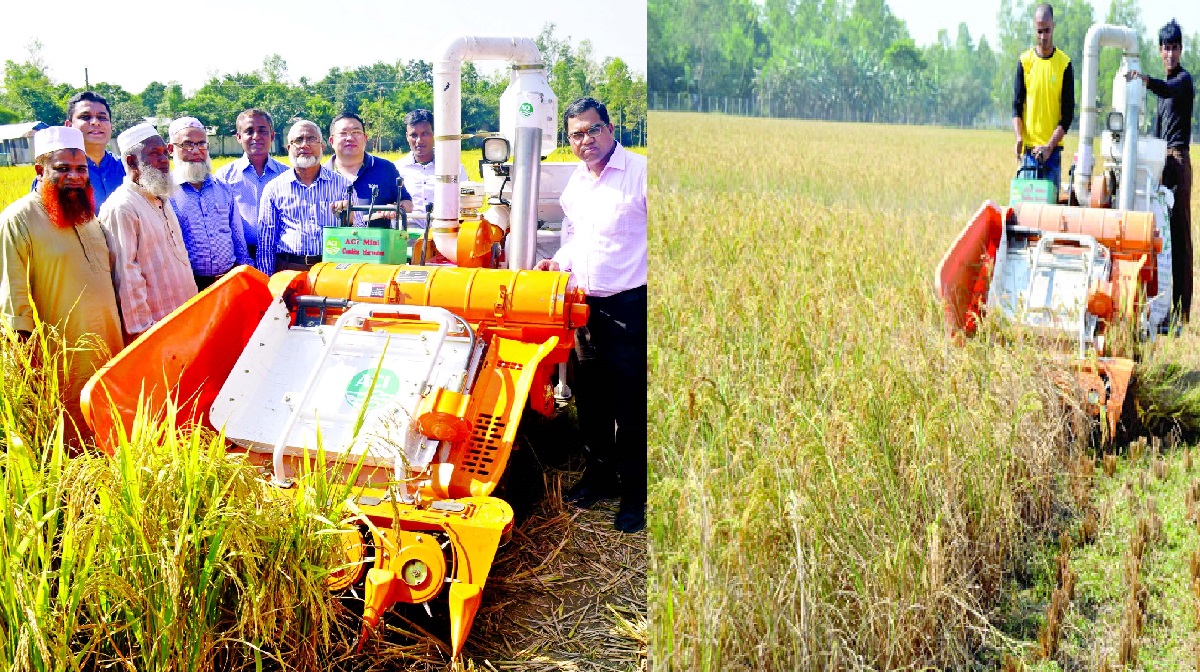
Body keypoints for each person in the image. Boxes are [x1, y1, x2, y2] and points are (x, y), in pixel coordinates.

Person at [535, 97, 647, 534]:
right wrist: (557, 262)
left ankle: (635, 494)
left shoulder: (641, 174)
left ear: (610, 126)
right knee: (592, 400)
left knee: (631, 404)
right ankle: (599, 477)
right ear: (569, 140)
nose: (587, 140)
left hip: (629, 307)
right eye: (577, 134)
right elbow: (574, 239)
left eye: (593, 130)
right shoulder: (576, 185)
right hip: (584, 307)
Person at [1, 126, 124, 443]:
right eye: (63, 168)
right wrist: (30, 371)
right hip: (62, 359)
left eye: (81, 169)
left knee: (112, 429)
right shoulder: (17, 219)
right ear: (40, 170)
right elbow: (13, 307)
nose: (74, 176)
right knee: (71, 441)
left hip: (110, 349)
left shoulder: (86, 215)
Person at [99, 122, 198, 343]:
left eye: (165, 153)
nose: (164, 160)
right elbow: (126, 275)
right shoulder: (122, 207)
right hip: (155, 329)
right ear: (132, 161)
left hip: (183, 314)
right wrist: (143, 332)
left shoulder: (160, 196)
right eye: (154, 153)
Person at [1126, 19, 1194, 324]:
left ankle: (1182, 310)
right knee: (1160, 236)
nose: (1169, 54)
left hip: (1177, 162)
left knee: (1179, 235)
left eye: (1174, 48)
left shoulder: (1182, 82)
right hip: (1160, 163)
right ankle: (1162, 306)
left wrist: (1144, 80)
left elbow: (1164, 87)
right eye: (1165, 48)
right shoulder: (1163, 96)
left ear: (1180, 50)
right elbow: (1155, 134)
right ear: (1160, 49)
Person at [255, 120, 361, 274]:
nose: (305, 145)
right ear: (289, 148)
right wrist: (268, 287)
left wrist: (350, 220)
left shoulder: (343, 186)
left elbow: (360, 236)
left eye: (311, 139)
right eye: (298, 140)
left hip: (330, 270)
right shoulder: (274, 188)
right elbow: (266, 244)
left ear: (322, 147)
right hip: (288, 269)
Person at [167, 116, 252, 290]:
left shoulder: (223, 188)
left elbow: (237, 236)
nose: (196, 151)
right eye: (187, 144)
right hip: (188, 285)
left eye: (202, 144)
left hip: (228, 279)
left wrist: (246, 270)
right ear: (171, 149)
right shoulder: (165, 194)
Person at [1012, 3, 1075, 194]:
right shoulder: (1025, 62)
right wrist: (1018, 137)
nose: (1043, 37)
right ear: (1034, 28)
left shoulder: (1064, 64)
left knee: (1049, 215)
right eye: (1039, 31)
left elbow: (1067, 116)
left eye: (1047, 31)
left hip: (1052, 154)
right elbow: (1016, 106)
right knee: (1025, 213)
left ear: (1053, 27)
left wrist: (1049, 147)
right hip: (1029, 154)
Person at [30, 91, 126, 213]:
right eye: (85, 117)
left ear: (111, 126)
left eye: (102, 117)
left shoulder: (127, 168)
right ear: (68, 126)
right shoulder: (55, 174)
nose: (96, 122)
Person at [214, 109, 288, 258]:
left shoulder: (287, 174)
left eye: (262, 131)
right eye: (249, 131)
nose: (256, 137)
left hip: (280, 256)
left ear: (272, 136)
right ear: (239, 137)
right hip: (240, 256)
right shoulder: (224, 176)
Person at [326, 112, 412, 227]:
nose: (350, 138)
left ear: (365, 138)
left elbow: (408, 203)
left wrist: (396, 208)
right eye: (343, 133)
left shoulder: (385, 169)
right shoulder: (321, 174)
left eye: (356, 132)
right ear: (332, 141)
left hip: (377, 243)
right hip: (332, 243)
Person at [395, 109, 468, 227]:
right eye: (413, 135)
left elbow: (466, 204)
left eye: (425, 134)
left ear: (435, 134)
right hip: (406, 236)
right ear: (407, 136)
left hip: (445, 233)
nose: (419, 140)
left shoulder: (453, 169)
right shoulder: (396, 169)